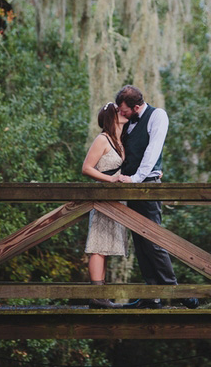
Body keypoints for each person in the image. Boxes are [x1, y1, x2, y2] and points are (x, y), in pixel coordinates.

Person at [116, 84, 199, 310]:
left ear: (136, 106)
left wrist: (138, 178)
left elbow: (153, 150)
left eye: (123, 110)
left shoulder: (157, 116)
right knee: (140, 242)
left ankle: (175, 290)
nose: (120, 113)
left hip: (146, 186)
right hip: (130, 186)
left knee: (153, 239)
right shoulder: (127, 122)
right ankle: (152, 295)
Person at [81, 102, 128, 308]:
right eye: (119, 111)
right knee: (98, 246)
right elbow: (87, 168)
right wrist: (110, 181)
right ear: (112, 116)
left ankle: (102, 296)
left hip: (117, 202)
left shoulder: (120, 140)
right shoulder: (102, 139)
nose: (124, 112)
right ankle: (96, 296)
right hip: (103, 198)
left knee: (106, 246)